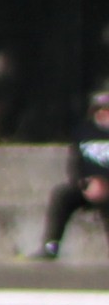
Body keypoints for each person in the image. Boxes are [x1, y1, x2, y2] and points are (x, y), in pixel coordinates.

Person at [36, 89, 109, 259]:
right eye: (98, 110)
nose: (102, 114)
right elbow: (76, 165)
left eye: (106, 109)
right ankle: (51, 246)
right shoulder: (84, 132)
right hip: (90, 187)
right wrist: (85, 183)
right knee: (62, 195)